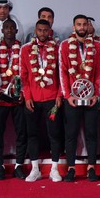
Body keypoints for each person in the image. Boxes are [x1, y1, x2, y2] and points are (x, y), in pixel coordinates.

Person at [59, 14, 100, 182]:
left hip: (91, 98)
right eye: (79, 24)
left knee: (92, 133)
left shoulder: (97, 46)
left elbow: (99, 71)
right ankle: (71, 168)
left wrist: (96, 94)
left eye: (85, 24)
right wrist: (67, 96)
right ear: (73, 27)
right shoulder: (64, 46)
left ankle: (91, 168)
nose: (82, 27)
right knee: (71, 134)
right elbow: (62, 71)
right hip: (72, 98)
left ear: (89, 26)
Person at [21, 20, 64, 182]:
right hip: (32, 100)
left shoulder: (58, 49)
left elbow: (61, 75)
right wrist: (27, 97)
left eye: (46, 30)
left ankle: (54, 169)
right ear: (35, 31)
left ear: (50, 32)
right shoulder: (26, 50)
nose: (42, 33)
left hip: (52, 99)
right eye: (40, 30)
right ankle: (34, 169)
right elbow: (23, 76)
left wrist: (59, 95)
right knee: (32, 134)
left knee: (54, 134)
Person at [0, 19, 27, 180]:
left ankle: (19, 165)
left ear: (16, 30)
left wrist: (23, 93)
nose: (10, 30)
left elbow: (28, 73)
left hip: (19, 98)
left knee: (22, 132)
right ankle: (0, 165)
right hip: (0, 98)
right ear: (2, 30)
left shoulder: (25, 50)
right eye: (6, 28)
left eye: (12, 27)